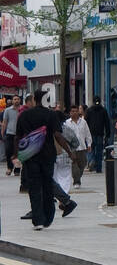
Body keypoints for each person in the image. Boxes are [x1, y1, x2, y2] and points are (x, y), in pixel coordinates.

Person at [15, 94, 74, 229]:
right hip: (48, 155)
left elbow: (17, 136)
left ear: (34, 100)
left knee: (34, 187)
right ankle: (48, 217)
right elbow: (58, 135)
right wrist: (69, 152)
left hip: (31, 156)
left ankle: (38, 220)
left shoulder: (24, 115)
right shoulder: (51, 115)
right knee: (47, 185)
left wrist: (16, 155)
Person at [63, 105, 91, 188]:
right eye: (72, 111)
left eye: (76, 111)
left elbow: (87, 133)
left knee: (82, 164)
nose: (74, 113)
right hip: (72, 148)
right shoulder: (67, 123)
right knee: (74, 164)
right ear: (70, 113)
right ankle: (76, 182)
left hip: (82, 147)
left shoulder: (83, 122)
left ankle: (77, 177)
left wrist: (89, 144)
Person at [85, 95, 110, 172]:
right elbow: (107, 123)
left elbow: (86, 123)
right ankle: (98, 168)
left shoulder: (89, 111)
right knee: (99, 151)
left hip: (91, 133)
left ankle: (92, 161)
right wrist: (108, 134)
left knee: (91, 149)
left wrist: (85, 134)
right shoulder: (103, 110)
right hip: (100, 133)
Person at [2, 93, 19, 175]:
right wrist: (2, 133)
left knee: (18, 153)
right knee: (8, 151)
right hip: (9, 133)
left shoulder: (22, 110)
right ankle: (9, 167)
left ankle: (17, 170)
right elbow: (5, 122)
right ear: (12, 101)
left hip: (19, 134)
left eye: (18, 99)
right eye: (15, 99)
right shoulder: (7, 110)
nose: (16, 101)